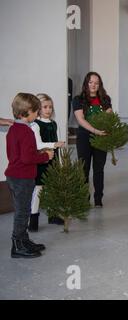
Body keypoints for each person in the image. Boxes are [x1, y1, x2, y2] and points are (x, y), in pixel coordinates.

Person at [5, 93, 54, 258]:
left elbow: (15, 154)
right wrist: (45, 156)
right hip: (22, 178)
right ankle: (17, 246)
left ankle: (24, 240)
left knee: (22, 211)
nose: (38, 114)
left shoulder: (13, 129)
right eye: (36, 111)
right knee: (22, 212)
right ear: (26, 112)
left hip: (13, 176)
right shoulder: (26, 132)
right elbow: (27, 158)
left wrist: (36, 153)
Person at [73, 72, 111, 208]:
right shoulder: (78, 99)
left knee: (99, 169)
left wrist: (107, 128)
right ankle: (84, 198)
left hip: (102, 138)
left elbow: (109, 117)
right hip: (84, 137)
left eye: (96, 83)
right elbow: (80, 119)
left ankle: (98, 198)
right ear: (86, 83)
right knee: (84, 169)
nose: (93, 85)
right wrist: (95, 131)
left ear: (99, 85)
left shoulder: (105, 99)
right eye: (90, 82)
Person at [29, 94, 65, 232]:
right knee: (38, 190)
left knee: (51, 188)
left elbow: (58, 145)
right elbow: (38, 145)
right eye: (45, 107)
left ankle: (53, 214)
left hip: (53, 160)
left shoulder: (54, 124)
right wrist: (54, 144)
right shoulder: (35, 125)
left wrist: (59, 162)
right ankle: (33, 219)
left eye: (50, 107)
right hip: (41, 161)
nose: (48, 109)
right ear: (38, 108)